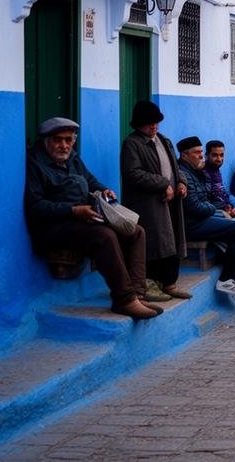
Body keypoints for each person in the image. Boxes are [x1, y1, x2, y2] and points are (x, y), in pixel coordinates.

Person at [26, 117, 158, 320]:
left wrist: (104, 190)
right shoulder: (35, 163)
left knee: (136, 231)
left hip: (80, 219)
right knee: (105, 236)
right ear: (46, 141)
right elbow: (36, 206)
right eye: (58, 140)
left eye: (68, 140)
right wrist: (74, 210)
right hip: (54, 227)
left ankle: (137, 295)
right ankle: (124, 300)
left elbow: (90, 180)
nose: (64, 145)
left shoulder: (73, 159)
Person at [119, 101, 188, 303]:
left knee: (171, 240)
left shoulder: (163, 140)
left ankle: (169, 283)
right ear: (138, 124)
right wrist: (163, 183)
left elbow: (176, 166)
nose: (154, 127)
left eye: (156, 123)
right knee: (154, 242)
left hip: (171, 201)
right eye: (149, 124)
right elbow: (132, 173)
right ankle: (149, 283)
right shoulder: (132, 144)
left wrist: (181, 182)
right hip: (147, 204)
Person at [176, 137, 235, 305]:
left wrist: (220, 207)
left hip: (203, 218)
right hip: (193, 224)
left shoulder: (194, 172)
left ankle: (229, 278)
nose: (200, 156)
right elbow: (195, 207)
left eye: (201, 152)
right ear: (184, 155)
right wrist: (215, 209)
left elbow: (206, 197)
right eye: (196, 153)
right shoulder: (183, 174)